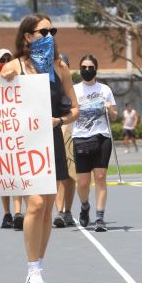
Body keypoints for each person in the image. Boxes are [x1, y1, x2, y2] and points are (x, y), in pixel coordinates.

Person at [0, 13, 79, 283]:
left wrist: (59, 121)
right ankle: (32, 270)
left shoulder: (60, 69)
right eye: (43, 32)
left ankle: (40, 266)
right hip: (23, 145)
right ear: (27, 36)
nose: (49, 36)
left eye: (52, 31)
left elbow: (74, 110)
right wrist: (2, 76)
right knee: (34, 204)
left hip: (51, 140)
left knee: (46, 207)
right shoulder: (14, 67)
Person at [72, 54, 118, 232]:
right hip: (81, 137)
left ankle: (100, 218)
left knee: (100, 177)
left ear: (96, 69)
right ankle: (85, 206)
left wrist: (109, 109)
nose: (87, 70)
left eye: (90, 67)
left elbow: (114, 115)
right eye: (84, 67)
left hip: (102, 136)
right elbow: (70, 113)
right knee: (83, 183)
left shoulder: (105, 89)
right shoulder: (74, 90)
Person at [0, 48, 25, 229]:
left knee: (17, 175)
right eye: (1, 59)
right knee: (3, 178)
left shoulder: (20, 81)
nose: (5, 62)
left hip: (17, 135)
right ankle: (7, 214)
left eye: (8, 58)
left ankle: (18, 211)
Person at [53, 53, 76, 228]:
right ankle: (59, 211)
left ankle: (68, 210)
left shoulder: (71, 90)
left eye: (63, 66)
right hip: (55, 134)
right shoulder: (49, 88)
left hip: (71, 134)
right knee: (58, 176)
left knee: (70, 176)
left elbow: (76, 111)